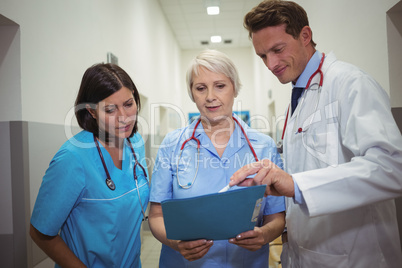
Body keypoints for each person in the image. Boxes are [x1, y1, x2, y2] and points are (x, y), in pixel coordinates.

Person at [229, 1, 402, 267]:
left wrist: (297, 185)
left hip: (357, 256)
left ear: (305, 36)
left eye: (277, 49)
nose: (271, 64)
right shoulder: (298, 98)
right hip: (306, 253)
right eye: (263, 56)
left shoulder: (350, 84)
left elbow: (391, 167)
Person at [148, 49, 286, 267]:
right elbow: (156, 215)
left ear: (234, 89)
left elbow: (276, 217)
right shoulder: (173, 144)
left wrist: (265, 235)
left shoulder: (263, 146)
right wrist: (175, 243)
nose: (210, 96)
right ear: (192, 93)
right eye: (200, 88)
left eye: (220, 86)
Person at [30, 63, 150, 267]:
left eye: (129, 104)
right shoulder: (72, 158)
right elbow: (41, 233)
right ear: (92, 112)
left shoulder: (135, 143)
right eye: (110, 109)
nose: (124, 117)